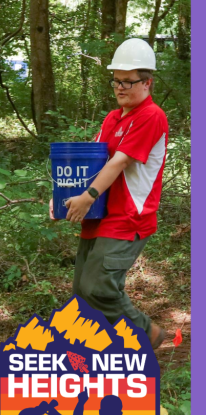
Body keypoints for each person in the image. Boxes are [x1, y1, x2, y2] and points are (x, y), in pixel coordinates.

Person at [56, 38, 169, 349]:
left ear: (147, 83)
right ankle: (107, 350)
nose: (120, 87)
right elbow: (91, 163)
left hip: (128, 218)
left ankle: (147, 334)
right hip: (100, 215)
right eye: (116, 81)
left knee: (99, 288)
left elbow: (119, 162)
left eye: (128, 81)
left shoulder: (151, 116)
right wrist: (62, 197)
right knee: (82, 291)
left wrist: (87, 195)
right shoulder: (113, 118)